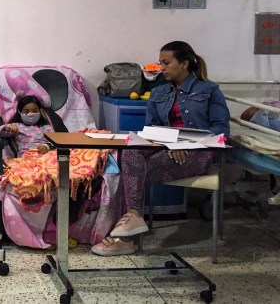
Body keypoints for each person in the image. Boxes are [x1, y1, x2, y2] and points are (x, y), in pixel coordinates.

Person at [92, 41, 230, 256]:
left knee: (137, 170)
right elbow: (152, 128)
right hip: (166, 146)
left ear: (184, 63)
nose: (161, 68)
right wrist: (170, 143)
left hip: (198, 152)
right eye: (160, 63)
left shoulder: (209, 90)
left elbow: (221, 129)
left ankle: (125, 236)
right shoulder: (159, 92)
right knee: (129, 152)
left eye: (166, 63)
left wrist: (184, 143)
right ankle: (133, 217)